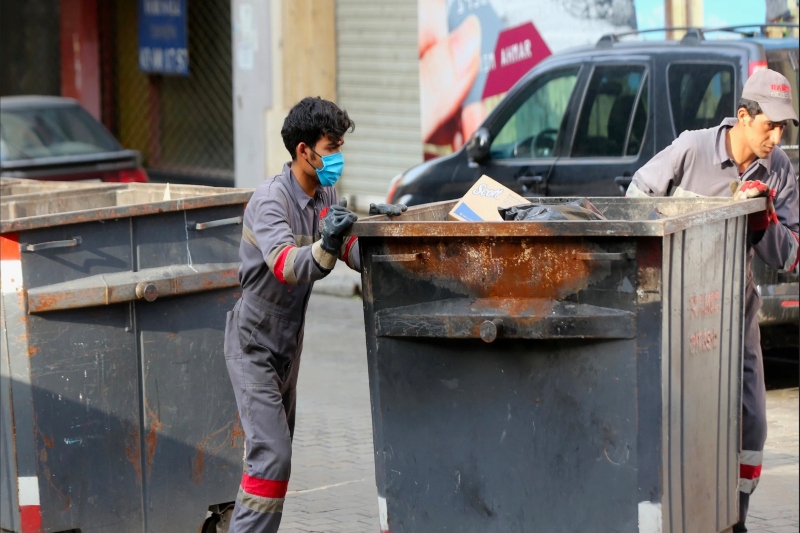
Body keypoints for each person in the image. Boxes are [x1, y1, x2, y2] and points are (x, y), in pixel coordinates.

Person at [626, 68, 799, 532]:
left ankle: (734, 520)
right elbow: (635, 199)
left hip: (735, 308)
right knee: (682, 422)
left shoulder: (779, 169)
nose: (776, 138)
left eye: (783, 128)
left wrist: (762, 222)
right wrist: (693, 219)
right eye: (769, 126)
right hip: (678, 310)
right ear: (743, 117)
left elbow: (792, 254)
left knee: (753, 424)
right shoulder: (691, 149)